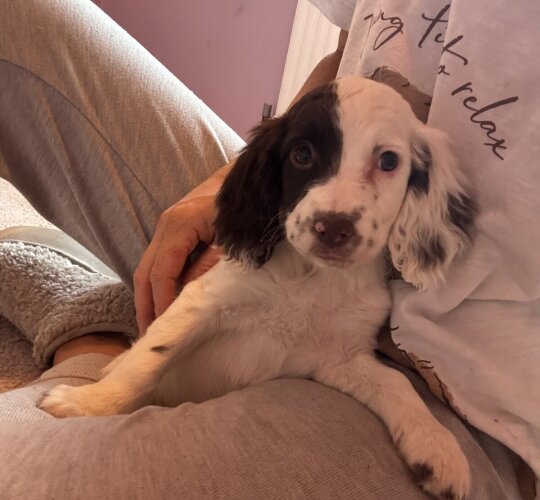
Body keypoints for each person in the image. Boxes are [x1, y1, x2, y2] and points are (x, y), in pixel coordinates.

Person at [0, 0, 537, 499]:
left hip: (469, 399)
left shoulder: (421, 207)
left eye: (388, 163)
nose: (338, 215)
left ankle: (86, 338)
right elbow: (348, 52)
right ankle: (95, 323)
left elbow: (344, 360)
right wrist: (226, 183)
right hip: (273, 227)